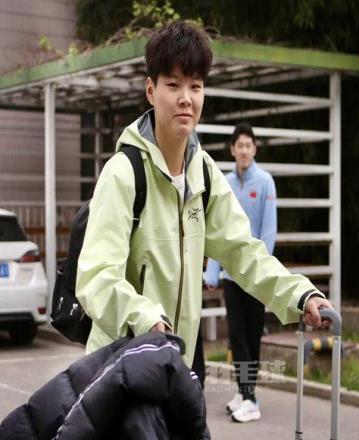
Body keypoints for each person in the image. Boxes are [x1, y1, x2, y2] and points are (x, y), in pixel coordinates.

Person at [76, 19, 333, 409]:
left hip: (177, 368)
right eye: (173, 84)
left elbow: (243, 251)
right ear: (151, 90)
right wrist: (144, 318)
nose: (186, 98)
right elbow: (95, 276)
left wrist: (300, 294)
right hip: (120, 370)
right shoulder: (123, 174)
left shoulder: (205, 175)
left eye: (195, 86)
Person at [204, 122, 277, 422]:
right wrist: (212, 272)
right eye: (239, 146)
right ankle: (244, 393)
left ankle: (250, 397)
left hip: (255, 275)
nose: (244, 150)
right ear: (232, 150)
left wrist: (263, 269)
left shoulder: (265, 182)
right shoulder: (225, 182)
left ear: (254, 149)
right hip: (231, 276)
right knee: (236, 336)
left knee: (251, 336)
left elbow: (269, 231)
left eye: (249, 145)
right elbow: (217, 229)